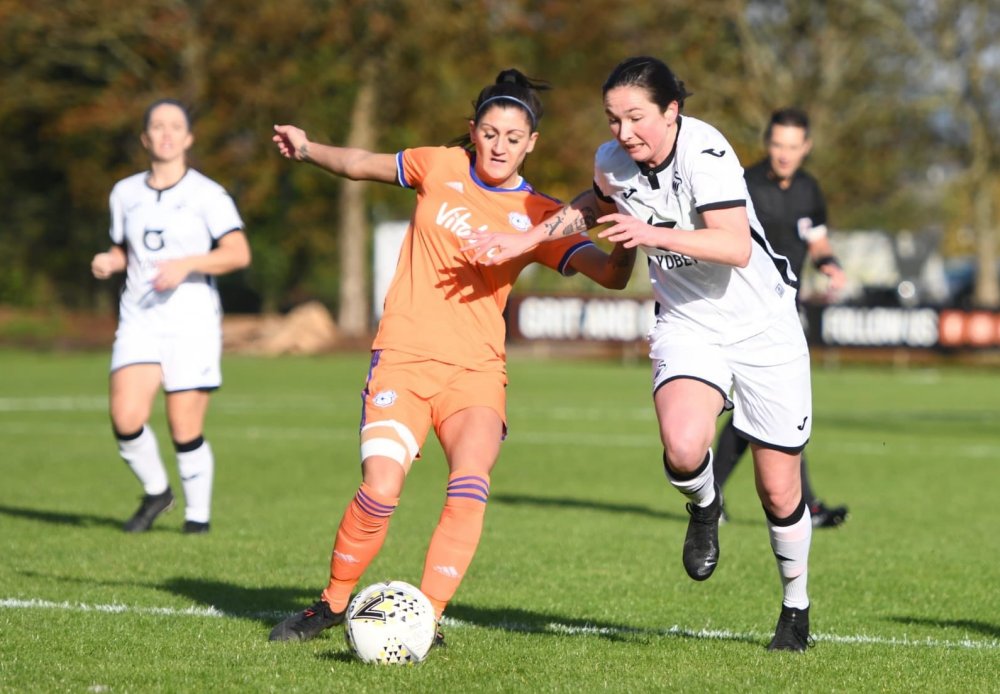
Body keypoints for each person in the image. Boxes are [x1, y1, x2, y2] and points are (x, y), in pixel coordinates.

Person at [267, 69, 635, 644]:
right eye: (490, 133)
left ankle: (427, 617)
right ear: (473, 130)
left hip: (477, 375)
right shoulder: (436, 165)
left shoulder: (542, 214)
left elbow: (611, 276)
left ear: (531, 142)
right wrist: (309, 149)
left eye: (513, 138)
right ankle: (332, 603)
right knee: (381, 489)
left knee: (469, 482)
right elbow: (362, 162)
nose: (500, 146)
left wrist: (631, 232)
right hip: (404, 360)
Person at [468, 57, 814, 651]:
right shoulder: (613, 162)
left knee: (780, 489)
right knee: (683, 448)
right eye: (613, 119)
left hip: (764, 326)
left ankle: (795, 607)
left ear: (671, 111)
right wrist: (526, 238)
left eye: (636, 118)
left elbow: (731, 246)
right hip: (688, 322)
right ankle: (704, 507)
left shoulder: (705, 151)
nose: (624, 132)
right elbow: (596, 203)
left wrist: (651, 233)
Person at [91, 98, 251, 535]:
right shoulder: (124, 193)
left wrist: (187, 264)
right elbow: (127, 249)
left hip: (191, 321)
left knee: (184, 425)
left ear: (188, 138)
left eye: (174, 126)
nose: (165, 133)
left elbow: (238, 252)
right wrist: (111, 260)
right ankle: (158, 491)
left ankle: (197, 520)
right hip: (139, 318)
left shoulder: (207, 194)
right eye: (157, 126)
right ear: (145, 138)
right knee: (126, 417)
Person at [713, 107, 848, 529]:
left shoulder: (810, 190)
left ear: (805, 147)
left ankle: (714, 499)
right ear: (767, 142)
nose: (784, 154)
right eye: (777, 145)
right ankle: (803, 505)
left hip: (786, 311)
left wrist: (830, 265)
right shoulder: (744, 184)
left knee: (769, 408)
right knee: (768, 407)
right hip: (744, 309)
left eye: (792, 147)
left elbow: (819, 242)